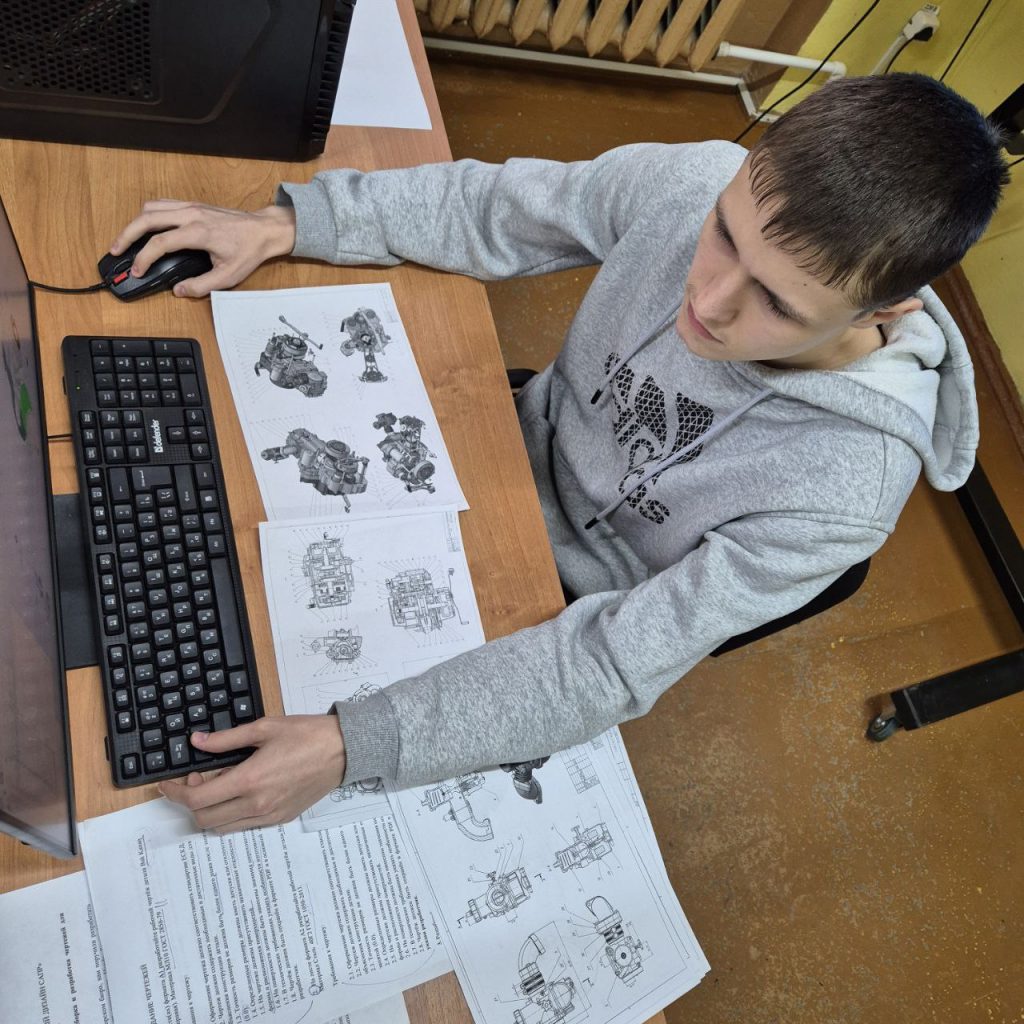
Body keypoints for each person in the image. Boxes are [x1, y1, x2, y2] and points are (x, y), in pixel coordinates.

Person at [112, 73, 1008, 834]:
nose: (708, 300)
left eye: (777, 304)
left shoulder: (846, 488)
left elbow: (610, 662)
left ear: (888, 311)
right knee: (190, 525)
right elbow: (503, 208)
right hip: (498, 452)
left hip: (560, 609)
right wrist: (290, 224)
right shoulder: (699, 179)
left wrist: (353, 746)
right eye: (723, 235)